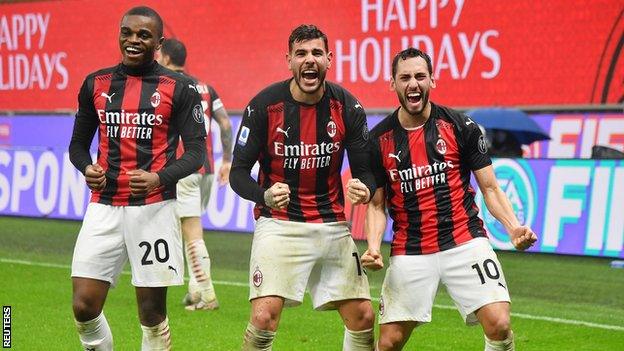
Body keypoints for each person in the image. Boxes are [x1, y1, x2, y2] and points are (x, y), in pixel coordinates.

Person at [362, 48, 537, 351]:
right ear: (393, 84)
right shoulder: (378, 140)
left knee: (499, 323)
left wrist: (513, 227)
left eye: (420, 76)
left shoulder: (460, 127)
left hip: (464, 241)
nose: (413, 83)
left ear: (432, 80)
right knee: (389, 343)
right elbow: (377, 205)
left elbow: (491, 189)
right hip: (411, 249)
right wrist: (374, 248)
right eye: (405, 77)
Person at [230, 24, 377, 350]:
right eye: (301, 54)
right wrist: (263, 195)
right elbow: (238, 173)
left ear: (329, 59)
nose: (309, 60)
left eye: (315, 53)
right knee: (264, 317)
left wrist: (364, 189)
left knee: (364, 317)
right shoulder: (264, 107)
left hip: (331, 224)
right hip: (279, 225)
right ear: (289, 60)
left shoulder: (348, 107)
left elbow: (367, 173)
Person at [68, 6, 206, 350]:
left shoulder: (181, 87)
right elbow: (77, 146)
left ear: (158, 42)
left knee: (151, 312)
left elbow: (196, 153)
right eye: (127, 33)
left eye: (143, 35)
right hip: (104, 207)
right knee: (83, 305)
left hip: (154, 210)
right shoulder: (95, 84)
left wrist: (159, 177)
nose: (133, 40)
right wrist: (87, 167)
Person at [157, 38, 233, 311]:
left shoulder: (166, 85)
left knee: (191, 233)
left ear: (165, 58)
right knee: (185, 228)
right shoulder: (205, 88)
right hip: (206, 170)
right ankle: (194, 289)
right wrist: (227, 159)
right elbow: (224, 122)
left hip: (182, 168)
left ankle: (208, 294)